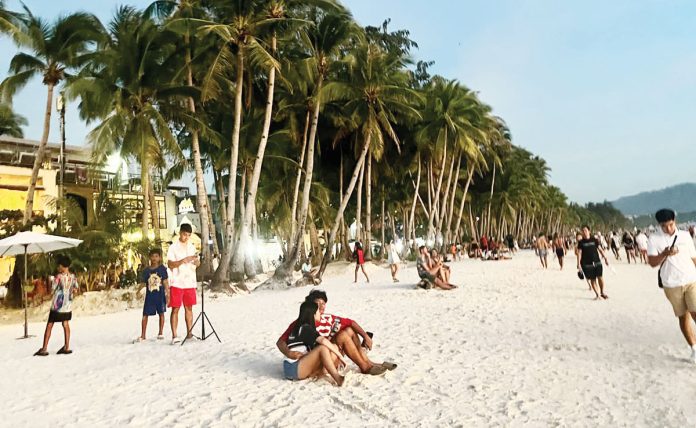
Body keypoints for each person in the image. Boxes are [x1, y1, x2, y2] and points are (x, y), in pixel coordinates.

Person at [277, 290, 391, 376]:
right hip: (319, 359)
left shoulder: (328, 318)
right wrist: (288, 353)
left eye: (324, 303)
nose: (322, 306)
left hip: (331, 352)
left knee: (349, 330)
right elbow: (280, 342)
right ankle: (365, 367)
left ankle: (368, 362)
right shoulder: (301, 323)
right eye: (318, 303)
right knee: (342, 335)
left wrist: (365, 336)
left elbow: (351, 322)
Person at [647, 209, 696, 364]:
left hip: (690, 279)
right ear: (659, 225)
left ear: (675, 220)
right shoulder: (654, 239)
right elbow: (652, 263)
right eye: (664, 226)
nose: (668, 229)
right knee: (683, 316)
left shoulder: (685, 236)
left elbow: (693, 257)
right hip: (671, 283)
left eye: (670, 224)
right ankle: (694, 347)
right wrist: (664, 254)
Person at [281, 301, 347, 386]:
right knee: (323, 348)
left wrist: (332, 335)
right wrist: (340, 356)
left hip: (294, 367)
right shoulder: (304, 328)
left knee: (331, 347)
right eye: (318, 312)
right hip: (292, 368)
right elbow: (323, 341)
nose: (320, 313)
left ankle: (319, 373)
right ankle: (338, 378)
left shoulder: (301, 327)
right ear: (312, 314)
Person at [34, 255, 79, 356]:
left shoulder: (58, 277)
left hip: (57, 305)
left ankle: (44, 348)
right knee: (65, 324)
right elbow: (76, 289)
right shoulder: (73, 277)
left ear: (62, 266)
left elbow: (52, 290)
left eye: (59, 265)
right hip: (67, 305)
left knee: (50, 325)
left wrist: (50, 283)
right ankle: (66, 347)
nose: (58, 267)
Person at [167, 223, 200, 344]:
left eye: (188, 235)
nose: (186, 237)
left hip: (189, 281)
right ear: (180, 233)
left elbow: (197, 264)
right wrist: (182, 261)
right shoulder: (173, 247)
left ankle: (189, 332)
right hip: (177, 281)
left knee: (189, 307)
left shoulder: (191, 247)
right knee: (175, 308)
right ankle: (174, 335)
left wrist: (196, 262)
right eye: (185, 234)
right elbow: (170, 264)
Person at [134, 248, 169, 343]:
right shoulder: (146, 271)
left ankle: (160, 332)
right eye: (152, 256)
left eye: (156, 256)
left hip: (160, 295)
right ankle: (143, 335)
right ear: (150, 257)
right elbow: (143, 283)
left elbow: (165, 281)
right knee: (145, 314)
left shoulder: (162, 269)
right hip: (150, 296)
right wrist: (138, 291)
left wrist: (168, 293)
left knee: (161, 313)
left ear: (160, 258)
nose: (154, 258)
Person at [576, 225, 610, 300]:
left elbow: (600, 249)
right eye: (583, 231)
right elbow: (579, 253)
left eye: (585, 230)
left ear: (589, 231)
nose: (584, 232)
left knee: (600, 277)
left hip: (597, 261)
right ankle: (597, 295)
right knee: (592, 279)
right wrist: (578, 264)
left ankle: (602, 292)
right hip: (586, 264)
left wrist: (606, 258)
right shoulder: (581, 242)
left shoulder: (594, 240)